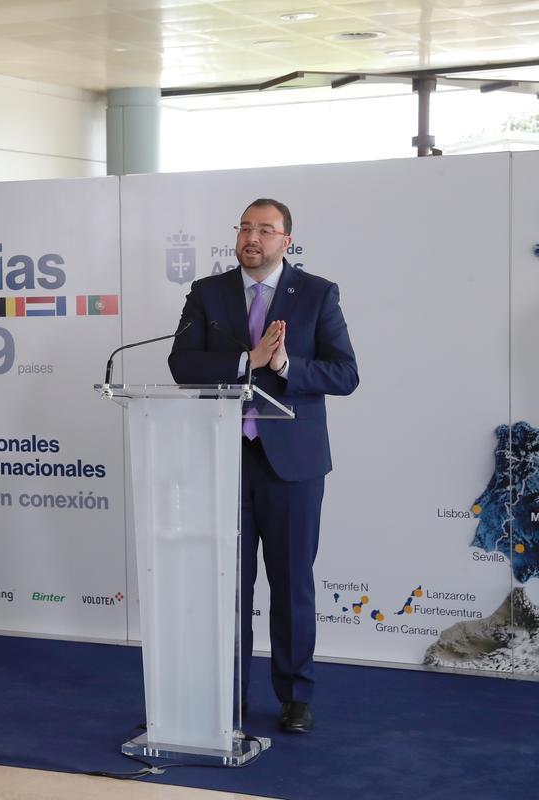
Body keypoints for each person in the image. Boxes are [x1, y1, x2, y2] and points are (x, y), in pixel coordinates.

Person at [168, 199, 358, 734]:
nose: (253, 237)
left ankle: (295, 696)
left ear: (287, 240)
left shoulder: (317, 293)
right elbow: (182, 365)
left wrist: (284, 365)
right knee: (229, 584)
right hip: (225, 458)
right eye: (246, 228)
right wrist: (243, 363)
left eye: (265, 230)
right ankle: (229, 693)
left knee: (292, 582)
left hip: (292, 466)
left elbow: (345, 374)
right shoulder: (208, 294)